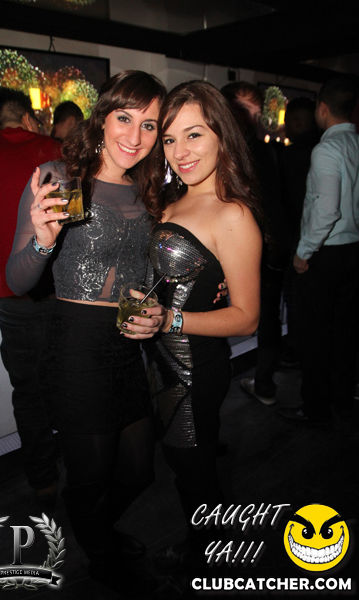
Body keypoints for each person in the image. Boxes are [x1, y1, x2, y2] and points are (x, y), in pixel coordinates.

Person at [6, 70, 167, 597]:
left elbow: (148, 270)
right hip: (76, 347)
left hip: (127, 345)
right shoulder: (64, 177)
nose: (135, 136)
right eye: (125, 118)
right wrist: (44, 241)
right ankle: (102, 558)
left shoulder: (149, 188)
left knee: (139, 470)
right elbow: (19, 280)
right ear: (103, 117)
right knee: (92, 475)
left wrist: (159, 306)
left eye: (149, 125)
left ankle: (96, 530)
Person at [122, 81, 263, 587]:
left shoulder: (233, 213)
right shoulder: (172, 200)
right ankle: (204, 545)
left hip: (195, 371)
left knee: (194, 470)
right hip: (161, 367)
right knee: (185, 466)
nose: (180, 151)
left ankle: (210, 562)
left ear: (222, 134)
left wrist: (169, 320)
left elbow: (247, 318)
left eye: (194, 135)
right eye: (169, 139)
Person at [0, 88, 61, 501]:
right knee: (70, 384)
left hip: (11, 296)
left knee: (28, 393)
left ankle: (43, 481)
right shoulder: (51, 147)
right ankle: (87, 468)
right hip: (59, 291)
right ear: (26, 118)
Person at [278, 77, 359, 423]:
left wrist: (303, 251)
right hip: (353, 251)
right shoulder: (355, 143)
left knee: (314, 335)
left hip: (325, 254)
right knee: (345, 331)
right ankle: (342, 398)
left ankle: (315, 409)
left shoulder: (327, 149)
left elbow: (326, 210)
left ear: (322, 109)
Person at [221, 81, 289, 405]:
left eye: (255, 113)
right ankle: (261, 384)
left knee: (262, 317)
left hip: (263, 248)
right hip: (258, 247)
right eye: (244, 111)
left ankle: (262, 384)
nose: (252, 120)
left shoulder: (252, 150)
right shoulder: (226, 147)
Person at [279, 97, 320, 367]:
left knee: (295, 300)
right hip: (330, 244)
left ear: (296, 122)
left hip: (298, 239)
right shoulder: (325, 148)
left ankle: (296, 351)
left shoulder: (291, 155)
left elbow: (288, 203)